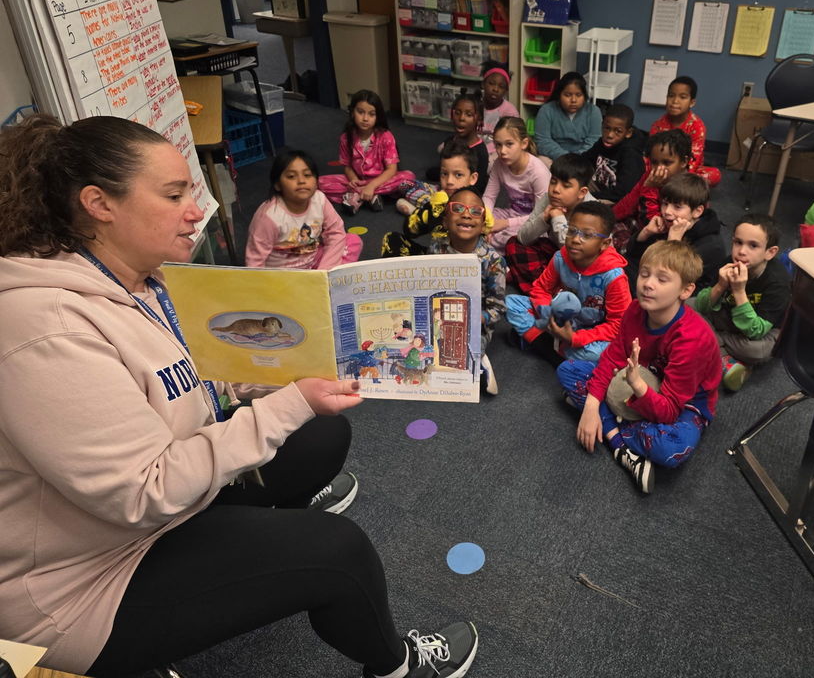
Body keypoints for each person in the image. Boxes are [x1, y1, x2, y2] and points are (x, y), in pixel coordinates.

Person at [0, 114, 478, 678]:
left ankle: (261, 545)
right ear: (100, 203)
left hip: (149, 517)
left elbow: (196, 380)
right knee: (338, 552)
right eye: (175, 194)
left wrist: (308, 369)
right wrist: (291, 401)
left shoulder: (139, 280)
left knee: (321, 433)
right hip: (86, 581)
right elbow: (143, 491)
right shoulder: (44, 326)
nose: (196, 209)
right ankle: (398, 667)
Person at [560, 241, 721, 494]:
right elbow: (612, 358)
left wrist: (636, 386)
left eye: (662, 279)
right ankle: (620, 443)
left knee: (671, 449)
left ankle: (611, 431)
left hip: (684, 403)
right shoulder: (635, 309)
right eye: (645, 274)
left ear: (686, 290)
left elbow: (669, 411)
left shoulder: (692, 339)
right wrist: (592, 405)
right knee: (568, 370)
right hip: (637, 377)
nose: (648, 283)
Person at [505, 202, 630, 368]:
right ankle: (555, 352)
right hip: (559, 318)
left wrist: (576, 338)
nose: (576, 240)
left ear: (605, 244)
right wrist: (548, 314)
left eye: (587, 235)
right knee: (510, 304)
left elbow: (618, 325)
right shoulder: (561, 257)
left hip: (589, 332)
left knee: (606, 353)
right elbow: (541, 289)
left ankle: (543, 344)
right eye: (572, 231)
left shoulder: (614, 277)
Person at [692, 213, 791, 392]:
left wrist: (738, 291)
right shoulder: (728, 262)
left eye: (753, 245)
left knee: (759, 351)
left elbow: (756, 331)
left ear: (770, 252)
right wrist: (721, 286)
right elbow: (702, 305)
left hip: (761, 332)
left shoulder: (778, 282)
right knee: (685, 306)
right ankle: (724, 356)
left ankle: (714, 343)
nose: (741, 251)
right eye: (738, 242)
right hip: (728, 318)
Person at [429, 188, 507, 395]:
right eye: (458, 208)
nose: (466, 214)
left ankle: (481, 362)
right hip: (438, 316)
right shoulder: (437, 249)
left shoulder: (493, 261)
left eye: (475, 211)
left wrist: (477, 319)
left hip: (474, 323)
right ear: (445, 221)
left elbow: (498, 307)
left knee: (462, 353)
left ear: (483, 225)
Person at [245, 149, 362, 269]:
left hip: (313, 262)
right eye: (291, 176)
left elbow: (336, 232)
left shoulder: (319, 199)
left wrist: (323, 272)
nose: (301, 181)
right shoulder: (269, 216)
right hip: (284, 274)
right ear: (277, 185)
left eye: (307, 175)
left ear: (316, 181)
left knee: (352, 241)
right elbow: (255, 260)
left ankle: (322, 280)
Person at [381, 139, 490, 257]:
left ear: (472, 178)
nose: (449, 181)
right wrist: (429, 210)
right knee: (391, 240)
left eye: (458, 175)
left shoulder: (477, 210)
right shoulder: (436, 203)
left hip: (463, 266)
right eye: (444, 174)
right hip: (435, 261)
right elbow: (410, 231)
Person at [505, 153, 596, 291]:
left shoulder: (591, 211)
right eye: (553, 182)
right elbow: (523, 238)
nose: (555, 190)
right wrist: (545, 217)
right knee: (513, 244)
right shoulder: (548, 199)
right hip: (557, 252)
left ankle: (545, 289)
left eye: (566, 186)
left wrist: (558, 218)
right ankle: (549, 289)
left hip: (582, 261)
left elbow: (573, 253)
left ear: (582, 192)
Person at [623, 172, 725, 293]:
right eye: (665, 204)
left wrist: (674, 243)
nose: (667, 211)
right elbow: (632, 255)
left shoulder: (712, 246)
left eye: (677, 207)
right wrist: (645, 234)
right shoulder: (669, 224)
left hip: (681, 296)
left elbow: (669, 278)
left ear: (697, 211)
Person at [320, 89, 415, 214]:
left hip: (381, 180)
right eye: (360, 112)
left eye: (371, 114)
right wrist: (353, 180)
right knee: (319, 183)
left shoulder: (385, 136)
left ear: (378, 116)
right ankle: (369, 196)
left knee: (408, 177)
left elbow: (392, 169)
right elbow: (347, 166)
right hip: (359, 181)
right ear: (352, 112)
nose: (365, 118)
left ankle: (357, 196)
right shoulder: (346, 137)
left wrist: (372, 186)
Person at [611, 129, 692, 252]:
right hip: (642, 224)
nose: (659, 168)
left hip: (664, 233)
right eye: (654, 162)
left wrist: (650, 188)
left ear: (684, 162)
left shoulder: (688, 186)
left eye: (667, 163)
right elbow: (631, 200)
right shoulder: (651, 174)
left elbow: (654, 223)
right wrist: (609, 217)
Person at [483, 116, 550, 250]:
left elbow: (539, 216)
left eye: (509, 144)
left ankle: (491, 245)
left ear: (524, 143)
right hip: (511, 213)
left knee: (510, 238)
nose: (502, 151)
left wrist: (505, 224)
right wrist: (487, 221)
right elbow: (489, 197)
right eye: (498, 144)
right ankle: (491, 243)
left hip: (534, 222)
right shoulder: (498, 164)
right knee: (475, 217)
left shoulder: (538, 172)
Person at [648, 76, 720, 186]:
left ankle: (675, 184)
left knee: (714, 174)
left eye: (683, 97)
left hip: (686, 169)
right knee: (640, 163)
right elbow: (651, 154)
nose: (675, 101)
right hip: (661, 165)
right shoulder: (658, 125)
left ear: (692, 102)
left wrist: (682, 176)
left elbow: (695, 159)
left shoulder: (697, 126)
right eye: (671, 96)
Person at [419, 91, 490, 199]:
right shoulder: (450, 141)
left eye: (468, 114)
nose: (461, 118)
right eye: (457, 113)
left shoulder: (480, 151)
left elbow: (478, 187)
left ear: (479, 120)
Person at [533, 71, 602, 164]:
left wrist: (577, 158)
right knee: (540, 162)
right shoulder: (547, 110)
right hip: (554, 158)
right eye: (567, 95)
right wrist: (565, 157)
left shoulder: (593, 111)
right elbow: (542, 141)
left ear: (584, 96)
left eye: (578, 95)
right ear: (559, 95)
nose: (573, 100)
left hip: (584, 159)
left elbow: (594, 141)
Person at [583, 103, 646, 204]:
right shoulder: (602, 143)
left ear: (628, 133)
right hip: (599, 191)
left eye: (618, 131)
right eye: (607, 128)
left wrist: (589, 196)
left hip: (616, 200)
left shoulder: (631, 155)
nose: (610, 135)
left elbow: (622, 193)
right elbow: (584, 160)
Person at [480, 63, 520, 158]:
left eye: (501, 86)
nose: (495, 89)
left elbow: (509, 139)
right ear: (483, 84)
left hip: (497, 148)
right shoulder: (474, 104)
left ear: (506, 91)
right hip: (474, 144)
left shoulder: (509, 111)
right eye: (491, 84)